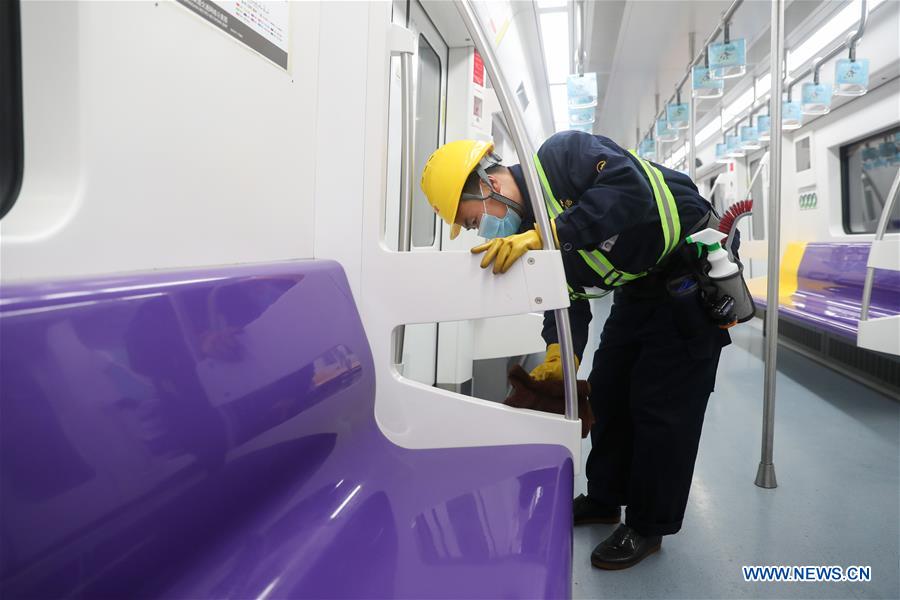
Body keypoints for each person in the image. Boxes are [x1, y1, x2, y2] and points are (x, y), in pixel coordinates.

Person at [420, 131, 734, 570]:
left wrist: (546, 235)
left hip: (688, 272)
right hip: (639, 287)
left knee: (662, 405)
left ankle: (648, 525)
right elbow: (566, 296)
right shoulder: (529, 232)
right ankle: (605, 498)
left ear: (488, 184)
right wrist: (560, 353)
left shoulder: (562, 157)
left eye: (472, 220)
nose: (480, 230)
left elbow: (631, 191)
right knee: (607, 390)